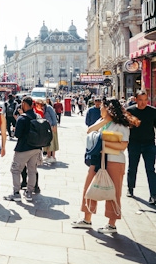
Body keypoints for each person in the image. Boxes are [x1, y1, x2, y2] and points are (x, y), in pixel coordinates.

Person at [72, 98, 140, 233]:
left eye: (102, 107)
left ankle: (111, 224)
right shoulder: (102, 121)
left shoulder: (121, 125)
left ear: (108, 109)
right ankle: (87, 218)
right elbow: (89, 130)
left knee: (113, 193)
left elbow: (123, 145)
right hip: (98, 160)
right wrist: (105, 121)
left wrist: (103, 144)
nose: (100, 109)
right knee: (89, 188)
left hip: (115, 161)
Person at [4, 96, 43, 202]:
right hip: (36, 148)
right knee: (32, 170)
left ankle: (16, 193)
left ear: (25, 105)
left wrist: (15, 127)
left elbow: (17, 135)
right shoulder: (37, 116)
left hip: (23, 148)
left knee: (15, 170)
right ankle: (29, 192)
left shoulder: (22, 118)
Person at [126, 91, 156, 203]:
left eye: (145, 100)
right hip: (134, 143)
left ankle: (153, 194)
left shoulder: (153, 111)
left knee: (150, 169)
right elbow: (125, 126)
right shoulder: (130, 111)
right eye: (140, 100)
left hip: (149, 144)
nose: (143, 103)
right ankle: (130, 188)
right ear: (135, 99)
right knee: (132, 167)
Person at [43, 98, 59, 163]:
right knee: (47, 142)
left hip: (52, 126)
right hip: (46, 127)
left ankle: (53, 157)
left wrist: (55, 125)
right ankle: (48, 156)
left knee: (52, 142)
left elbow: (53, 117)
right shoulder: (43, 108)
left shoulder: (49, 107)